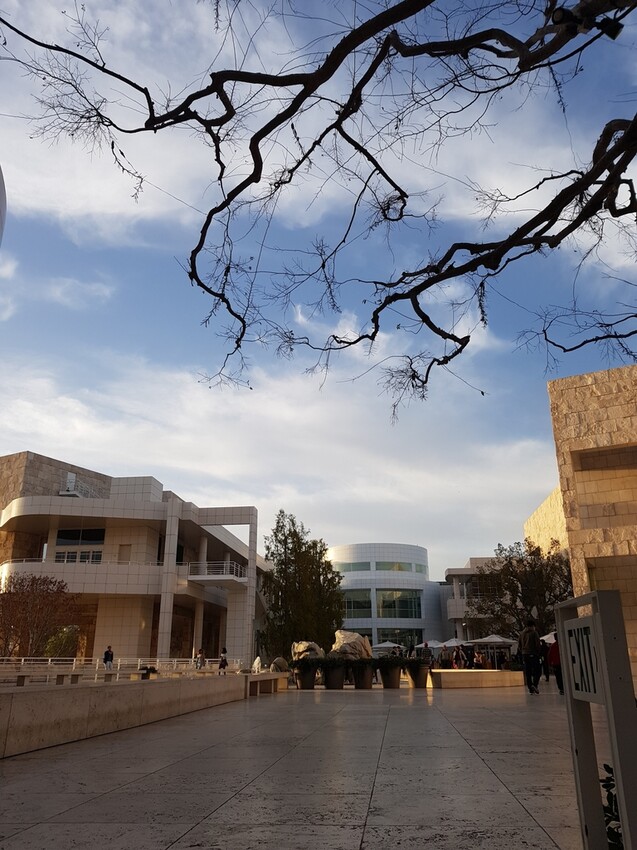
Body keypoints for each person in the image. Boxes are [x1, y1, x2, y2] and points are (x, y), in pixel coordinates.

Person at [518, 619, 542, 694]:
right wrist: (538, 652)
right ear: (532, 626)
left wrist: (522, 651)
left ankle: (530, 688)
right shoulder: (534, 633)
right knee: (537, 671)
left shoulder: (522, 634)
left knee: (528, 672)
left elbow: (519, 645)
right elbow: (537, 644)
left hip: (524, 654)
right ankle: (534, 684)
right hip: (533, 653)